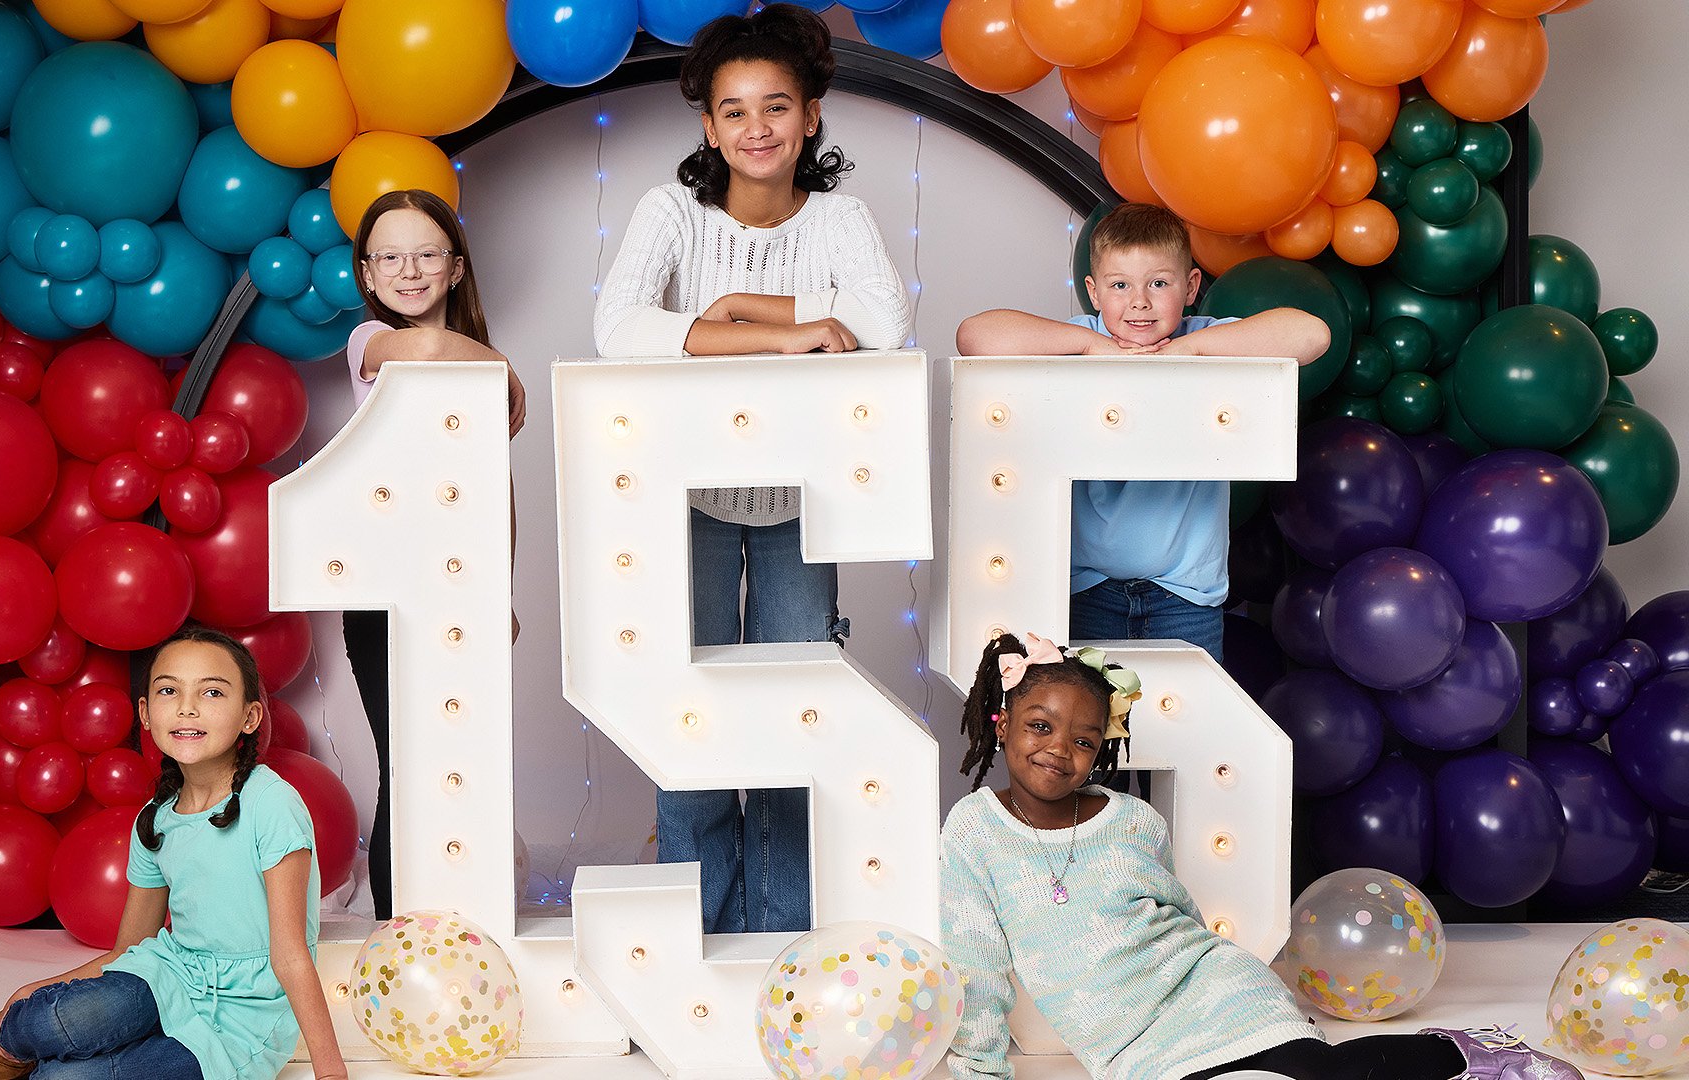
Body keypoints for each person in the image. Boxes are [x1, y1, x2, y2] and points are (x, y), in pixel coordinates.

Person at [591, 2, 911, 937]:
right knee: (683, 706)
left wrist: (743, 310)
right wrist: (784, 328)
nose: (757, 128)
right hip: (676, 501)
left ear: (811, 115)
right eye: (734, 111)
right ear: (708, 125)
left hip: (800, 504)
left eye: (777, 106)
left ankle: (781, 929)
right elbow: (617, 332)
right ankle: (700, 927)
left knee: (792, 713)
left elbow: (883, 325)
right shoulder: (670, 212)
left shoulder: (843, 217)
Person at [942, 630, 1584, 1080]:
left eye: (1084, 739)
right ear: (1003, 724)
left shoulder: (1132, 820)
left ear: (1100, 749)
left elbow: (1178, 921)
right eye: (1040, 726)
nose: (1060, 749)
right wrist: (978, 1074)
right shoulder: (975, 829)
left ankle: (1461, 1055)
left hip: (1214, 987)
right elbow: (977, 968)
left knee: (1312, 1073)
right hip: (1129, 1042)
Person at [0, 625, 347, 1080]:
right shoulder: (156, 818)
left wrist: (331, 1073)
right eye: (170, 690)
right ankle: (1, 1048)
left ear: (249, 718)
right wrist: (49, 987)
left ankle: (41, 1062)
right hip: (171, 975)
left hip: (244, 1018)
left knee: (62, 1078)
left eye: (212, 692)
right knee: (55, 1016)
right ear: (147, 714)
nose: (187, 706)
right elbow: (131, 948)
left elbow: (290, 955)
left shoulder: (271, 803)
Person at [954, 204, 1330, 664]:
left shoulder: (1208, 339)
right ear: (1093, 293)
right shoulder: (1081, 340)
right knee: (1092, 731)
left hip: (1186, 595)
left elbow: (1311, 334)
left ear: (1191, 287)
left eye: (1158, 283)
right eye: (1119, 285)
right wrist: (1091, 344)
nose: (1139, 301)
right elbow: (975, 334)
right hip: (1085, 590)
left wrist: (1192, 348)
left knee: (1186, 732)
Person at [344, 188, 525, 919]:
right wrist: (501, 364)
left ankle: (464, 928)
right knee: (409, 767)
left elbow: (494, 488)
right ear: (367, 275)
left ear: (455, 269)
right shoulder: (371, 345)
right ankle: (398, 936)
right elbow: (421, 344)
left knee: (461, 766)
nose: (408, 270)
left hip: (461, 591)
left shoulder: (471, 369)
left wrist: (500, 594)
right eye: (390, 256)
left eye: (427, 253)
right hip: (386, 591)